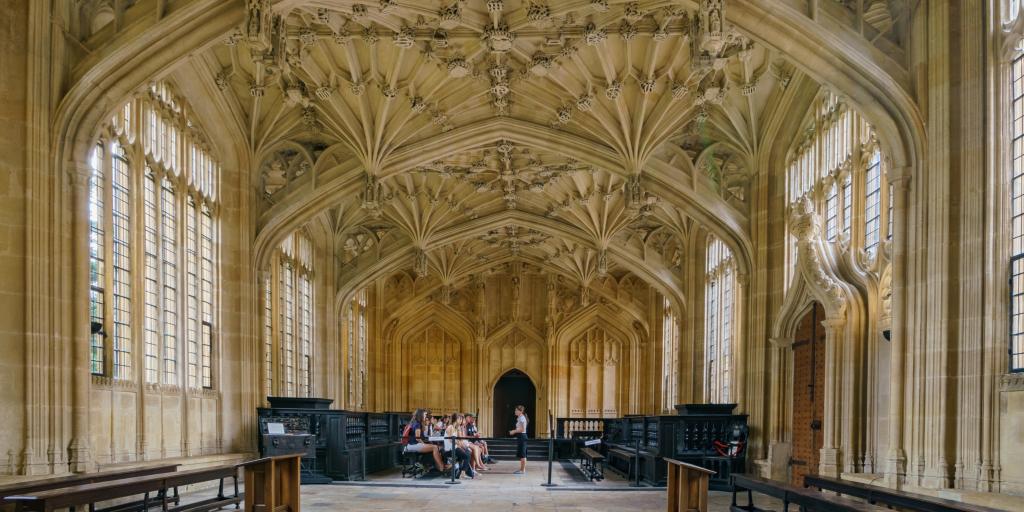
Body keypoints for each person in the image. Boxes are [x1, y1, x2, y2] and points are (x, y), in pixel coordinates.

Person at [402, 409, 446, 473]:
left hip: (413, 445)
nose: (426, 416)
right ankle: (441, 467)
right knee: (435, 447)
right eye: (425, 414)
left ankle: (437, 467)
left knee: (436, 447)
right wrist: (424, 444)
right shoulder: (417, 424)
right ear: (421, 415)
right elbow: (417, 438)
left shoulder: (416, 422)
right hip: (413, 445)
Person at [445, 413, 476, 479]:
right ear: (455, 419)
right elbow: (451, 440)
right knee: (466, 456)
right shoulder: (450, 427)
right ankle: (463, 472)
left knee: (468, 452)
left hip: (455, 447)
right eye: (459, 419)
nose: (461, 420)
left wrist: (459, 430)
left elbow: (460, 439)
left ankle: (460, 470)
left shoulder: (456, 428)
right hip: (450, 449)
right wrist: (460, 445)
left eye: (461, 419)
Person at [508, 405, 529, 474]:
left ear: (521, 411)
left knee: (523, 454)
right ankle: (521, 469)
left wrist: (514, 431)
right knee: (522, 454)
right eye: (515, 410)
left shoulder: (522, 418)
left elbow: (523, 429)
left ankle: (523, 470)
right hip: (521, 436)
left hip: (522, 436)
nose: (515, 411)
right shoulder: (519, 418)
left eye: (516, 410)